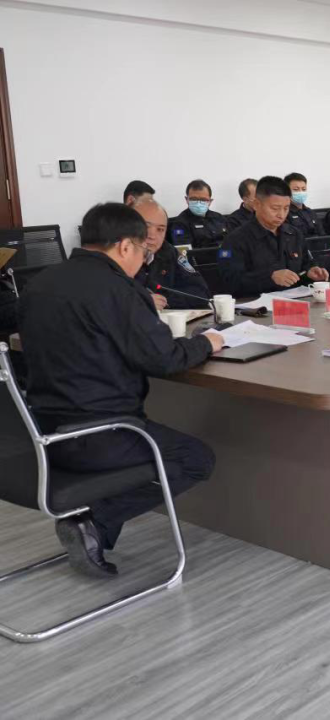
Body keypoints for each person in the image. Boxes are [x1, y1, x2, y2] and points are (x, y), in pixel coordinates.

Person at [17, 202, 225, 577]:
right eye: (143, 250)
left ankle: (93, 525)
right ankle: (94, 521)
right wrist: (206, 343)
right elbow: (163, 359)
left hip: (41, 432)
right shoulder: (119, 290)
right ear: (126, 246)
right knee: (195, 459)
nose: (144, 260)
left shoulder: (40, 283)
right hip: (100, 434)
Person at [218, 176, 330, 296]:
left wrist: (310, 272)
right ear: (257, 204)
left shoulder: (294, 234)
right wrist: (269, 277)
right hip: (256, 304)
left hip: (296, 299)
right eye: (275, 208)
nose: (281, 215)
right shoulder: (235, 240)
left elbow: (305, 265)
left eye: (286, 208)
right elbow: (231, 282)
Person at [133, 198, 210, 310]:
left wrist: (163, 300)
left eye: (160, 229)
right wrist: (140, 302)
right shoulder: (115, 256)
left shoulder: (168, 251)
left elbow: (201, 292)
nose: (152, 236)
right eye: (146, 226)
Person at [167, 179, 228, 249]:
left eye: (203, 199)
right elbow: (184, 252)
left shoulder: (219, 218)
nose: (198, 203)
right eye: (194, 199)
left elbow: (231, 240)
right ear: (187, 199)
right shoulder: (180, 224)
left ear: (210, 201)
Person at [283, 172, 324, 238]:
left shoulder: (310, 212)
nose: (301, 192)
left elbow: (322, 235)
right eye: (296, 189)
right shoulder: (284, 213)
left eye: (303, 189)